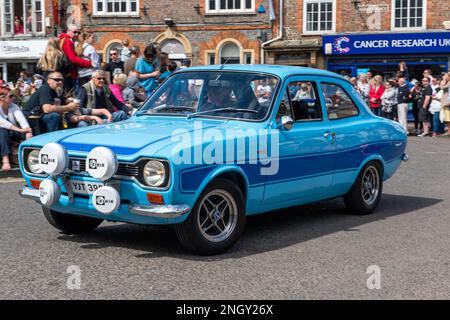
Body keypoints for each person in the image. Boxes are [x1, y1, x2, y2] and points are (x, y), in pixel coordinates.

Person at [0, 87, 32, 170]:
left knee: (27, 133)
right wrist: (20, 130)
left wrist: (27, 130)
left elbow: (22, 120)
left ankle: (28, 158)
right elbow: (2, 123)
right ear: (2, 98)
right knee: (2, 131)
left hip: (11, 133)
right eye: (10, 96)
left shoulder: (14, 106)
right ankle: (5, 160)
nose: (13, 98)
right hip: (2, 133)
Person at [59, 25, 93, 93]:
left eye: (78, 32)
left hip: (68, 73)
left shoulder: (65, 39)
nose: (76, 34)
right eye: (74, 32)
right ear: (68, 31)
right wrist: (89, 63)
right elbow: (72, 58)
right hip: (70, 73)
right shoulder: (67, 40)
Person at [439, 72, 450, 136]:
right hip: (447, 103)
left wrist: (444, 80)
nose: (444, 77)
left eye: (445, 76)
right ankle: (449, 131)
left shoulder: (449, 83)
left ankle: (449, 132)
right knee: (447, 119)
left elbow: (442, 87)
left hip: (448, 103)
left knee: (448, 119)